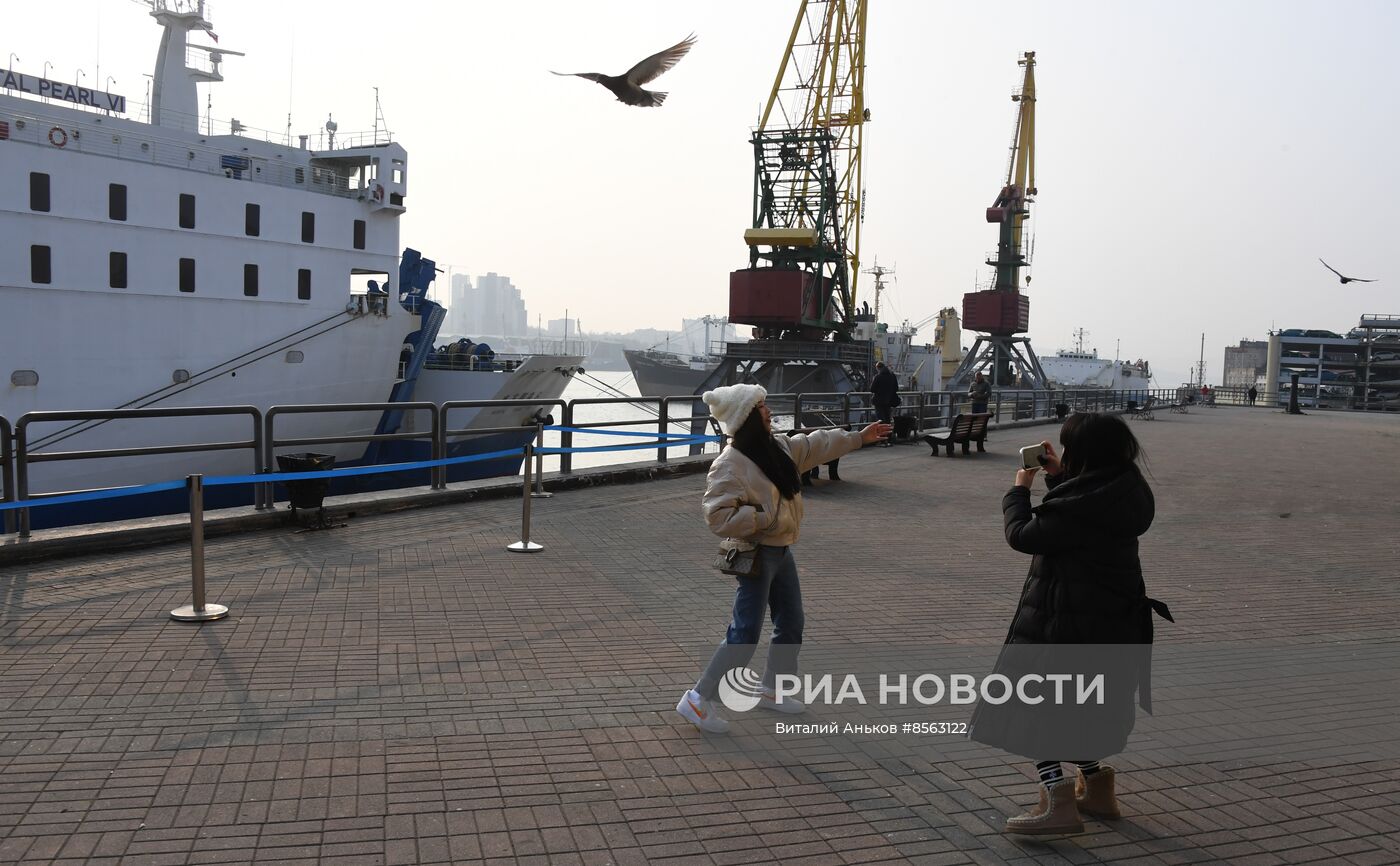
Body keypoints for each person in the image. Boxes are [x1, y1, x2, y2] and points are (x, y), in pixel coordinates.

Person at [970, 412, 1172, 835]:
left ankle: (1058, 805)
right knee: (1074, 710)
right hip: (1106, 623)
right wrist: (1060, 477)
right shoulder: (1123, 487)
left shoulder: (1084, 504)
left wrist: (1018, 490)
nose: (1063, 454)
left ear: (1084, 452)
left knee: (1035, 711)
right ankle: (1098, 790)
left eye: (1068, 448)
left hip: (1064, 624)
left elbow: (1024, 535)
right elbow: (1080, 515)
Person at [677, 384, 891, 734]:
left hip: (782, 550)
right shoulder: (729, 464)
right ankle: (698, 699)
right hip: (758, 553)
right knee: (744, 632)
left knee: (791, 622)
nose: (768, 411)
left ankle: (772, 689)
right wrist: (766, 519)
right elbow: (717, 517)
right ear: (745, 416)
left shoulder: (775, 447)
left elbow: (813, 444)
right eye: (761, 407)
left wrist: (858, 438)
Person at [869, 362, 899, 446]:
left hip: (879, 401)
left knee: (880, 420)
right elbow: (896, 388)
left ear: (878, 368)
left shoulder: (878, 377)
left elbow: (872, 389)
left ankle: (882, 440)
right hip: (888, 401)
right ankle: (888, 439)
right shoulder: (892, 376)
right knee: (887, 420)